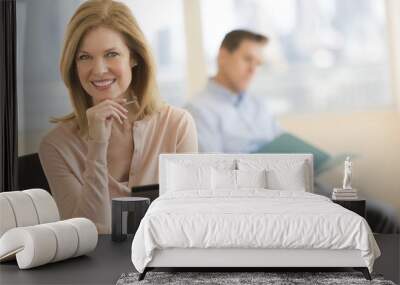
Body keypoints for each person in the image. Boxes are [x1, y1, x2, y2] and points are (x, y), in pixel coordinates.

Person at [39, 0, 198, 234]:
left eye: (111, 54)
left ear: (133, 57)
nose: (99, 69)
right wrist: (97, 144)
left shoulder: (176, 125)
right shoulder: (56, 146)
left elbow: (187, 224)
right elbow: (86, 233)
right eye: (85, 57)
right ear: (74, 65)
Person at [186, 29, 282, 153]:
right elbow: (213, 169)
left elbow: (284, 143)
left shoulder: (259, 105)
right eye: (247, 59)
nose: (253, 70)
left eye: (258, 64)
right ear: (223, 57)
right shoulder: (197, 111)